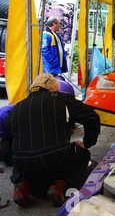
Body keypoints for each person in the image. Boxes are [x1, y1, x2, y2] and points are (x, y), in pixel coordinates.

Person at [4, 73, 101, 207]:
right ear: (54, 89)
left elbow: (8, 127)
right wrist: (87, 142)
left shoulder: (17, 107)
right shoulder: (62, 99)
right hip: (56, 159)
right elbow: (92, 117)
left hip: (23, 164)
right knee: (84, 155)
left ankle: (20, 186)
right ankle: (59, 186)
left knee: (21, 158)